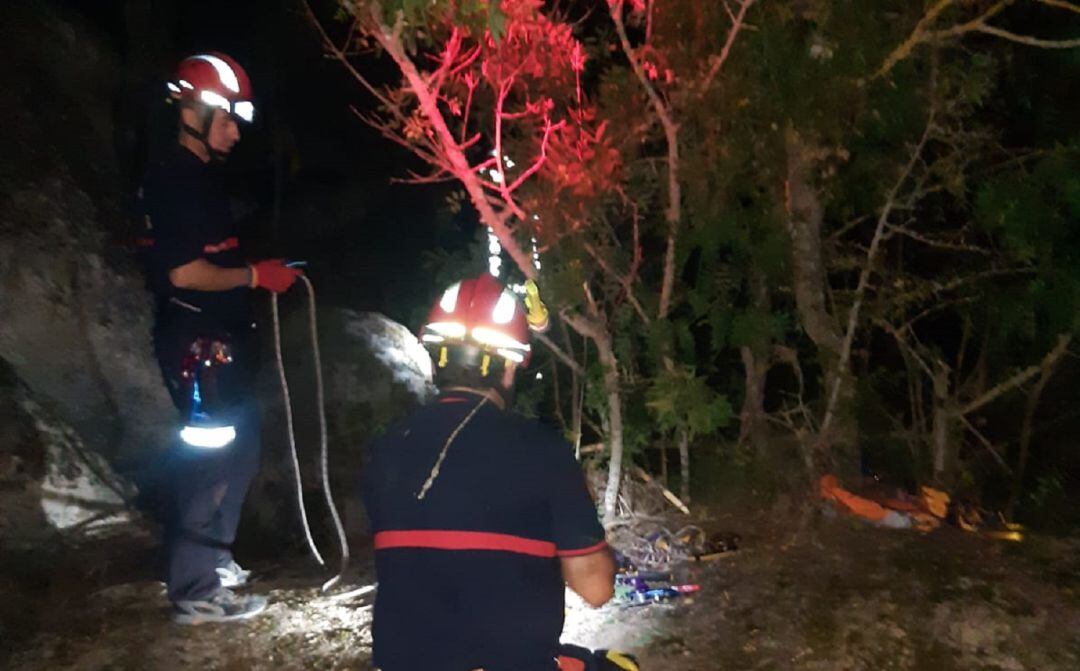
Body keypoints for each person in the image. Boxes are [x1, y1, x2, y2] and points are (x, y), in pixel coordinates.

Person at [363, 274, 616, 671]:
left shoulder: (385, 447)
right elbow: (596, 589)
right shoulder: (541, 449)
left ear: (436, 357)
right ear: (510, 367)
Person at [139, 52, 301, 625]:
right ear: (195, 113)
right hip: (197, 343)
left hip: (220, 341)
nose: (235, 133)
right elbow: (185, 273)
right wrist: (255, 277)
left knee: (242, 449)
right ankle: (195, 589)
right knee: (209, 461)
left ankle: (212, 560)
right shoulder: (174, 180)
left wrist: (259, 271)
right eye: (228, 120)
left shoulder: (200, 179)